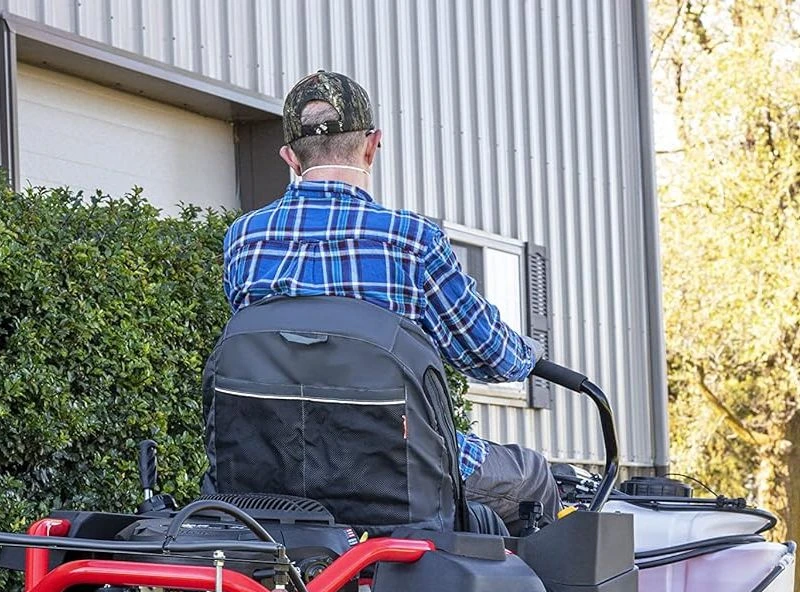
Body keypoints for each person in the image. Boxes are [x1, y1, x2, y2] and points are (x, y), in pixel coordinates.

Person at [222, 70, 561, 535]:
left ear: (290, 158)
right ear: (371, 145)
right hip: (396, 474)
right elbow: (491, 356)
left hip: (272, 472)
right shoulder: (410, 240)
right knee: (533, 476)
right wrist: (529, 355)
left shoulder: (244, 240)